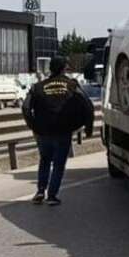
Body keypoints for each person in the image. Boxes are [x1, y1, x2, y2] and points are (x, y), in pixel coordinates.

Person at [22, 56, 95, 206]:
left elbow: (25, 108)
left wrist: (33, 126)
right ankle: (52, 196)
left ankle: (41, 190)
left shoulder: (37, 87)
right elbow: (88, 105)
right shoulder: (72, 85)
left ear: (50, 68)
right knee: (58, 165)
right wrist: (88, 127)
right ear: (64, 68)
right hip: (63, 131)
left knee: (45, 160)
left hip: (43, 132)